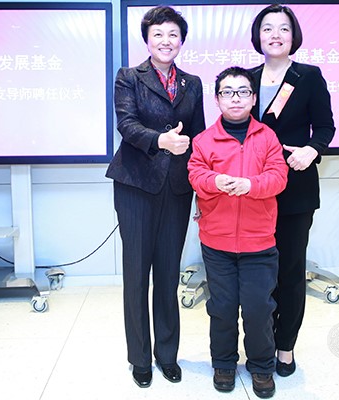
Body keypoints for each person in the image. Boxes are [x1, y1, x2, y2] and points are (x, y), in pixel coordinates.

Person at [105, 5, 205, 388]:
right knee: (136, 274)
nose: (166, 41)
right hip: (136, 184)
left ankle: (167, 354)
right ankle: (140, 358)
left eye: (173, 34)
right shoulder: (129, 77)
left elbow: (200, 136)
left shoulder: (193, 83)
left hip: (177, 187)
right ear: (147, 40)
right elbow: (126, 125)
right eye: (158, 34)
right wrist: (161, 140)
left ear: (181, 41)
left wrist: (203, 189)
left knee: (167, 273)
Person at [188, 66, 288, 399]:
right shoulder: (204, 140)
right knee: (222, 307)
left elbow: (278, 177)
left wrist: (251, 185)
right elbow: (195, 174)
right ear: (217, 99)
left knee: (259, 307)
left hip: (259, 242)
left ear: (254, 98)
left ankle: (261, 366)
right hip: (217, 242)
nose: (235, 98)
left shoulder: (268, 137)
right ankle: (224, 363)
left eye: (243, 91)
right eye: (228, 92)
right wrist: (215, 180)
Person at [248, 4, 336, 378]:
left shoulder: (308, 76)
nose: (275, 35)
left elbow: (326, 127)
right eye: (267, 28)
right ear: (258, 36)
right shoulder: (247, 79)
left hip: (295, 188)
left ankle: (285, 348)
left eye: (283, 28)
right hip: (253, 190)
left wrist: (312, 150)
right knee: (257, 274)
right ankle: (260, 344)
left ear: (293, 35)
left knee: (290, 271)